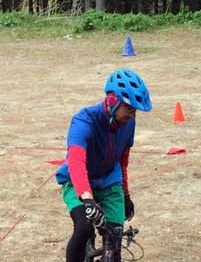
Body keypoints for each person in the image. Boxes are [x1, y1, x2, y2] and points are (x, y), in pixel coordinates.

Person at [54, 68, 151, 262]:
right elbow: (76, 162)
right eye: (129, 109)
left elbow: (123, 161)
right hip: (79, 181)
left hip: (109, 182)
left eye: (135, 111)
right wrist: (88, 199)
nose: (133, 115)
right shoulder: (83, 121)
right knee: (83, 229)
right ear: (113, 101)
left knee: (113, 242)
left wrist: (125, 194)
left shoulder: (128, 124)